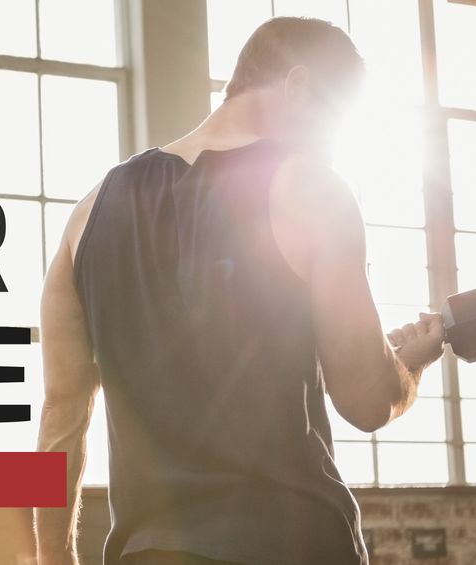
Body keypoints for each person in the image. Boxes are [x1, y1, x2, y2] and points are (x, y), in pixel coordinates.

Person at [33, 16, 445, 565]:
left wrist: (55, 560)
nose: (332, 143)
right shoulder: (312, 188)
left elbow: (62, 417)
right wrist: (410, 366)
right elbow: (367, 401)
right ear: (298, 86)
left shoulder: (87, 215)